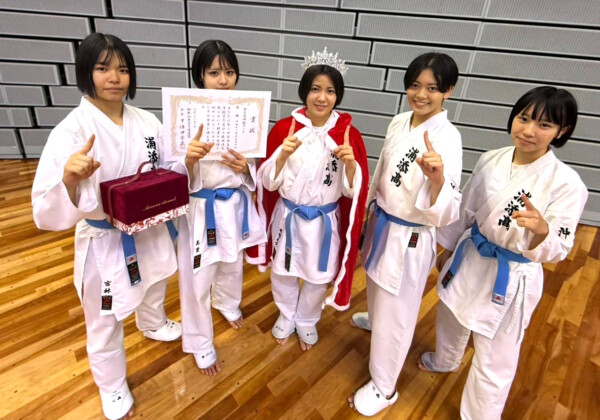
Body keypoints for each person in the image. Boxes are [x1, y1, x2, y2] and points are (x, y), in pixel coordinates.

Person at [31, 33, 181, 420]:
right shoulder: (70, 131)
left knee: (155, 281)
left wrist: (190, 160)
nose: (114, 77)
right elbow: (43, 209)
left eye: (123, 69)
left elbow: (168, 169)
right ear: (87, 73)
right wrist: (68, 178)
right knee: (104, 317)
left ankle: (152, 322)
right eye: (103, 68)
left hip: (149, 225)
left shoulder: (147, 121)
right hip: (105, 237)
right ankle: (111, 385)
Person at [416, 86, 588, 419]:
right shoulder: (491, 159)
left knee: (494, 357)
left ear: (561, 131)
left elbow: (560, 247)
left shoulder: (567, 183)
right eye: (524, 118)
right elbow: (466, 209)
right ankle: (445, 359)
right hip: (472, 254)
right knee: (450, 313)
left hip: (512, 274)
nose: (529, 131)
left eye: (544, 125)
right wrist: (447, 247)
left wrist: (543, 231)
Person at [348, 52, 463, 416]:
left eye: (432, 88)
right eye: (415, 85)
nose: (421, 95)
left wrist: (438, 179)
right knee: (376, 284)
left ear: (448, 91)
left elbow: (448, 207)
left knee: (398, 312)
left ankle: (384, 388)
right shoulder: (400, 121)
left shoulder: (449, 138)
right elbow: (382, 171)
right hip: (383, 220)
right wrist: (365, 210)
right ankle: (376, 320)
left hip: (410, 234)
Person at [248, 47, 369, 352]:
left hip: (323, 222)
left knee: (318, 276)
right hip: (288, 217)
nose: (321, 97)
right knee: (283, 271)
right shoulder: (284, 129)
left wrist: (350, 165)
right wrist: (281, 156)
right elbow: (267, 183)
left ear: (337, 95)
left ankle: (306, 318)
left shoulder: (348, 135)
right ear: (305, 91)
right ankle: (287, 314)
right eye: (315, 89)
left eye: (330, 91)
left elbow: (352, 193)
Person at [170, 40, 266, 376]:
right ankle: (200, 341)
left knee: (232, 263)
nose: (223, 80)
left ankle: (226, 302)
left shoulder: (248, 111)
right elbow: (172, 174)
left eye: (229, 72)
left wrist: (245, 169)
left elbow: (254, 169)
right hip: (201, 208)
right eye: (213, 73)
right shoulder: (183, 113)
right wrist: (188, 160)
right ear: (200, 76)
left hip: (233, 204)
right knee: (198, 278)